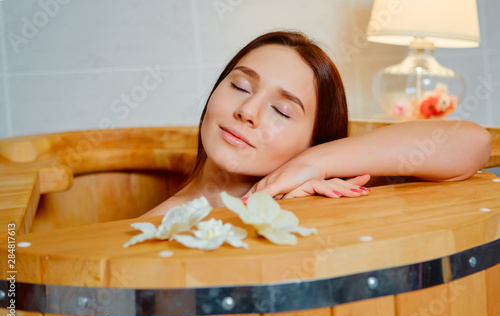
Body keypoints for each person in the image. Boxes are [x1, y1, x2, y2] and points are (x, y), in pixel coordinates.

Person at [142, 30, 491, 217]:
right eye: (239, 86)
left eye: (281, 111)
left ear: (313, 139)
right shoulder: (154, 226)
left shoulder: (324, 186)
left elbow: (473, 142)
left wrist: (313, 164)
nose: (248, 111)